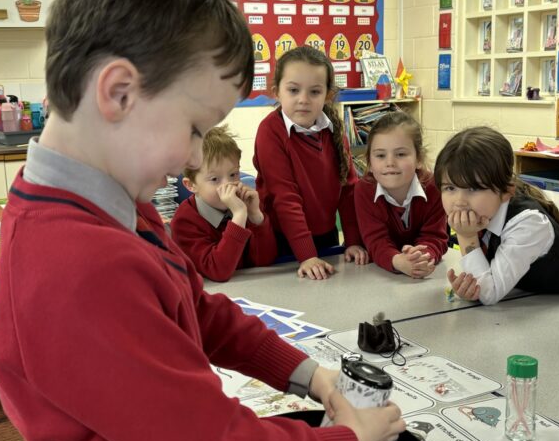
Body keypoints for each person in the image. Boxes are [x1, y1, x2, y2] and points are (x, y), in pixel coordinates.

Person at [0, 0, 405, 441]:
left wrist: (311, 375)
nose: (191, 157)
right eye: (192, 125)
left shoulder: (117, 205)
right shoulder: (77, 261)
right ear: (118, 92)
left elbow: (199, 313)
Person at [437, 126, 559, 305]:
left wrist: (466, 236)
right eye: (450, 188)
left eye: (473, 188)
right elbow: (483, 285)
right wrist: (472, 286)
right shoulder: (482, 214)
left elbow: (488, 293)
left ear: (506, 191)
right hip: (549, 297)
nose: (459, 201)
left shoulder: (528, 224)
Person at [253, 45, 368, 280]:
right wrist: (306, 255)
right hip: (283, 240)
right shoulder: (270, 131)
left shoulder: (334, 130)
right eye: (293, 90)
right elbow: (285, 198)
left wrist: (353, 241)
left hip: (325, 237)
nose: (303, 100)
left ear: (327, 95)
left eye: (314, 92)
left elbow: (348, 191)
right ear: (277, 92)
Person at [171, 125, 277, 282]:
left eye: (233, 174)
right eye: (214, 179)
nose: (229, 185)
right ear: (191, 185)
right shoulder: (185, 220)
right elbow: (218, 271)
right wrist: (239, 217)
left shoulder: (243, 204)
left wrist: (256, 217)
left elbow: (264, 261)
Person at [354, 111, 448, 278]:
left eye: (401, 154)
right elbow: (376, 241)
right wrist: (398, 261)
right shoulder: (364, 190)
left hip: (422, 271)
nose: (390, 163)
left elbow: (435, 237)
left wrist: (421, 259)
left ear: (419, 158)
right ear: (369, 161)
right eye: (380, 155)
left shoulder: (434, 187)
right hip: (374, 274)